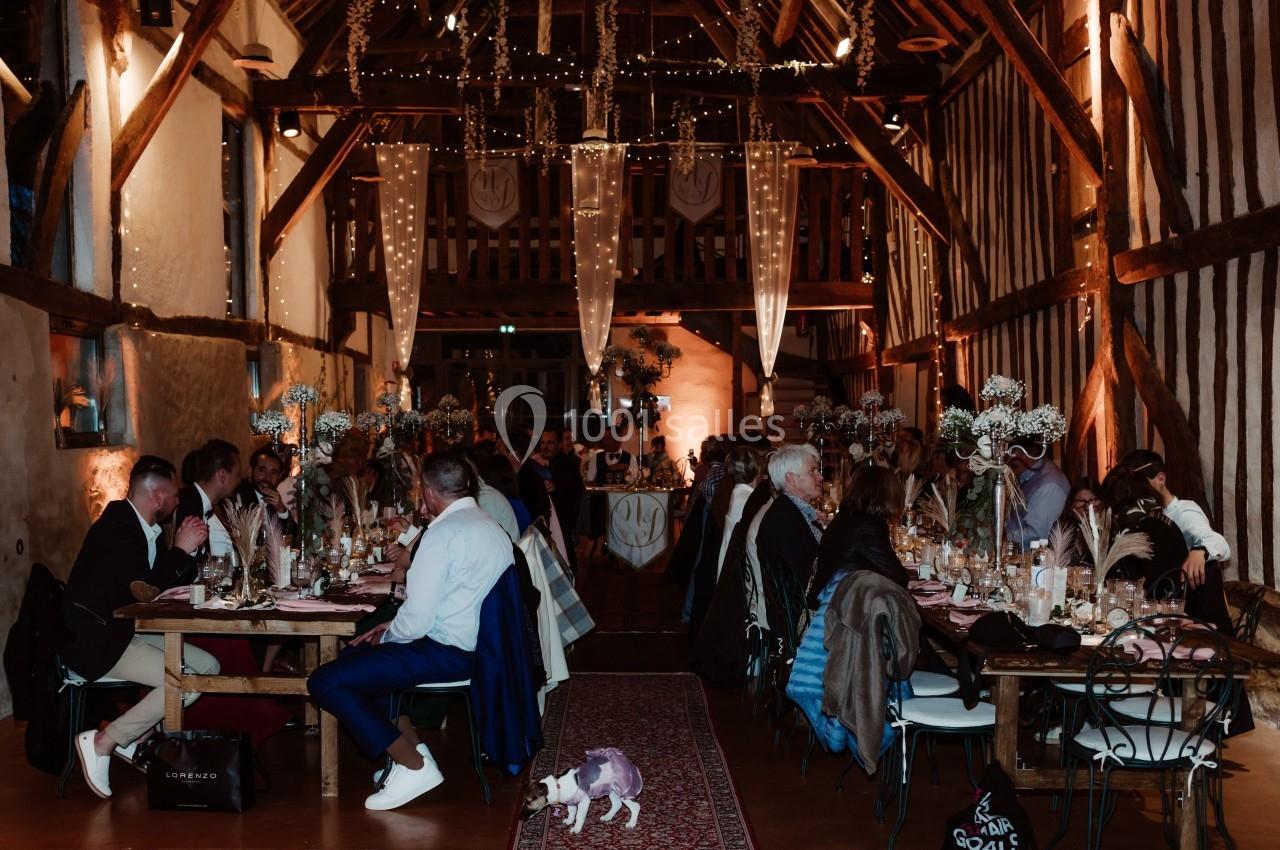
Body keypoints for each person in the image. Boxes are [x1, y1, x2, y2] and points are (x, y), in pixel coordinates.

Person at [308, 452, 513, 811]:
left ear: (429, 493)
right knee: (357, 658)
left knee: (325, 681)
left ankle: (412, 765)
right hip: (482, 648)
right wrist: (390, 629)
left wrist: (387, 636)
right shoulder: (488, 525)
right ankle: (411, 751)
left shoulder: (441, 534)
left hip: (448, 653)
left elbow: (416, 622)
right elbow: (451, 600)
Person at [64, 456, 217, 799]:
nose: (179, 501)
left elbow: (159, 583)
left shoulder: (147, 530)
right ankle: (103, 741)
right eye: (174, 495)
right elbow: (144, 589)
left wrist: (184, 552)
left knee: (209, 667)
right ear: (158, 497)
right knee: (187, 685)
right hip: (100, 638)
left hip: (127, 628)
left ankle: (136, 737)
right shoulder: (117, 529)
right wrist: (180, 549)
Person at [1121, 450, 1230, 595]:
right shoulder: (1139, 516)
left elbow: (1219, 542)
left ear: (1161, 479)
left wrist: (1200, 551)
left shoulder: (1183, 512)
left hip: (1185, 601)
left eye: (1140, 484)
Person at [755, 444, 824, 654]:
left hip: (797, 604)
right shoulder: (784, 519)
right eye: (812, 471)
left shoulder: (791, 510)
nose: (820, 477)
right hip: (798, 614)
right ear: (791, 479)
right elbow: (807, 578)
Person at [809, 465, 909, 607]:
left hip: (825, 601)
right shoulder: (869, 526)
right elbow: (898, 577)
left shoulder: (845, 517)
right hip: (836, 616)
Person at [175, 439, 240, 558]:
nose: (239, 480)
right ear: (222, 476)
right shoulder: (186, 505)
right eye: (237, 475)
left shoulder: (207, 504)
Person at [1006, 438, 1069, 548]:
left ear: (1019, 453)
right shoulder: (1029, 475)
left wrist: (1003, 538)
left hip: (1034, 559)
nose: (1008, 459)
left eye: (1012, 453)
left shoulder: (1049, 484)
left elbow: (1036, 534)